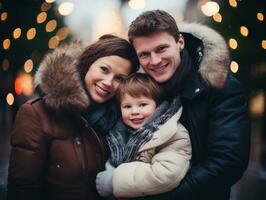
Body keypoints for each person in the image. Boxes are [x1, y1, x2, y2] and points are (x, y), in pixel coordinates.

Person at [127, 10, 250, 200]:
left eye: (161, 49)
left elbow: (226, 163)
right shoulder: (142, 90)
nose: (155, 61)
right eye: (145, 54)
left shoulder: (220, 87)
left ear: (180, 43)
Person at [7, 34, 139, 200]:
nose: (108, 82)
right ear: (88, 64)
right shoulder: (37, 113)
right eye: (104, 70)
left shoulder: (120, 119)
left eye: (119, 78)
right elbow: (23, 189)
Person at [95, 73, 192, 198]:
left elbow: (168, 173)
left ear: (157, 105)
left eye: (142, 105)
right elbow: (114, 160)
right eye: (127, 106)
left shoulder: (172, 132)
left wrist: (114, 180)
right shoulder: (119, 133)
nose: (135, 112)